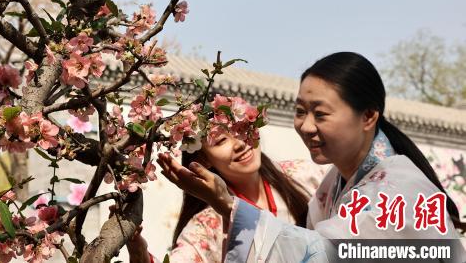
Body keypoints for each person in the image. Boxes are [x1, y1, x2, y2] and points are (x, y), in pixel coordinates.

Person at [158, 52, 465, 262]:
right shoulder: (331, 184)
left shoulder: (397, 189)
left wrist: (227, 205)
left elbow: (322, 253)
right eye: (300, 112)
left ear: (368, 116)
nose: (305, 126)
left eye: (321, 114)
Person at [126, 130, 327, 263]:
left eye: (243, 129)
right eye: (222, 140)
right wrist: (139, 254)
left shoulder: (305, 175)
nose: (240, 143)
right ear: (204, 158)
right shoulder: (207, 225)